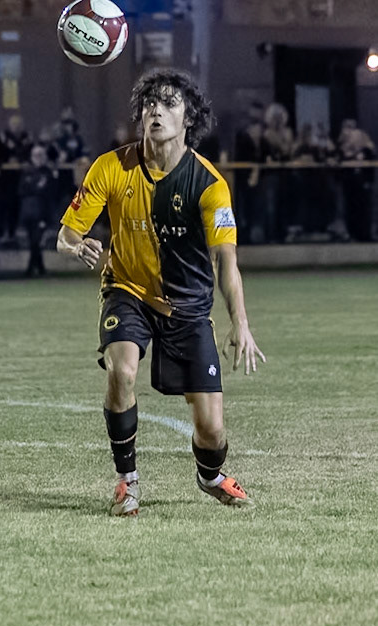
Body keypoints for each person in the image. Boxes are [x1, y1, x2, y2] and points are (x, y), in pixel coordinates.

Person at [56, 68, 264, 517]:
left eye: (169, 103)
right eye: (150, 102)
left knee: (212, 431)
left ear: (189, 118)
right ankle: (127, 480)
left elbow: (226, 262)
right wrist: (77, 246)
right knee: (121, 369)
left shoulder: (209, 185)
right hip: (126, 289)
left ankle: (210, 476)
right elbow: (66, 235)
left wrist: (241, 323)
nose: (156, 110)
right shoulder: (111, 167)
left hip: (187, 307)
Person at [17, 143, 56, 276]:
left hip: (41, 212)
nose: (38, 158)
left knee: (36, 240)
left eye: (40, 155)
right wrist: (36, 187)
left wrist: (35, 188)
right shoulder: (27, 172)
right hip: (28, 212)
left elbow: (49, 193)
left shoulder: (47, 173)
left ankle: (31, 268)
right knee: (33, 241)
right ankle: (40, 268)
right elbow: (22, 190)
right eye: (35, 155)